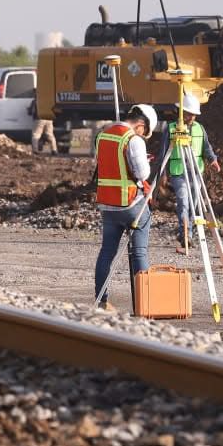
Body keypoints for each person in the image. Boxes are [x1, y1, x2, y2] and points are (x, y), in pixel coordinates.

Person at [92, 104, 158, 311]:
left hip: (107, 204)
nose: (144, 137)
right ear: (140, 125)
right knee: (139, 253)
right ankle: (145, 305)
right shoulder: (133, 139)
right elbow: (142, 174)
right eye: (145, 133)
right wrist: (144, 161)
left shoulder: (103, 135)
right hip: (131, 204)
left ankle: (101, 301)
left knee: (106, 252)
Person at [156, 92, 220, 251]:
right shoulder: (171, 129)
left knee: (194, 204)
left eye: (194, 115)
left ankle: (189, 232)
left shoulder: (200, 128)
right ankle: (186, 233)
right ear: (181, 112)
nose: (191, 117)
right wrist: (162, 174)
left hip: (196, 172)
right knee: (184, 202)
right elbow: (163, 152)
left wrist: (213, 159)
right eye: (189, 114)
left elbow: (206, 147)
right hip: (179, 173)